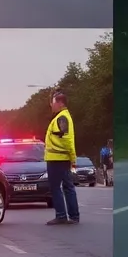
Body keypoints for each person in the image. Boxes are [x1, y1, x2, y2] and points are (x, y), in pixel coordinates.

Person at [43, 91, 80, 225]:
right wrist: (71, 157)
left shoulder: (61, 118)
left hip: (57, 158)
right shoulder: (64, 117)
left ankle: (61, 215)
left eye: (52, 103)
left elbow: (66, 139)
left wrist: (72, 157)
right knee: (68, 187)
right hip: (62, 158)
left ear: (60, 103)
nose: (51, 106)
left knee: (56, 187)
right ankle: (74, 216)